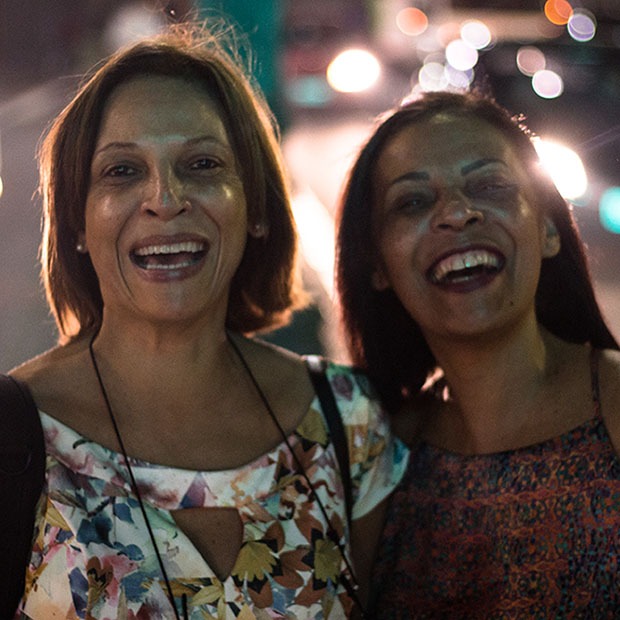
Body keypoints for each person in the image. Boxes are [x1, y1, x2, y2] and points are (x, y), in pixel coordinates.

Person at [10, 22, 407, 619]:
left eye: (201, 163)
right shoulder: (14, 434)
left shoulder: (348, 422)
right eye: (122, 171)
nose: (165, 199)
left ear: (256, 209)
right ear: (76, 225)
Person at [335, 89, 620, 617]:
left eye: (489, 185)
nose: (458, 214)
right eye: (413, 202)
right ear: (376, 264)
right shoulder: (382, 453)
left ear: (549, 228)